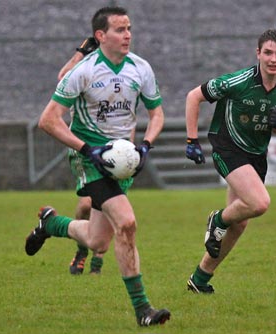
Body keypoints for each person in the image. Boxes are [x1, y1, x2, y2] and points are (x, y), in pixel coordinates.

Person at [25, 7, 170, 327]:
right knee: (127, 223)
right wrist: (87, 150)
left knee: (98, 240)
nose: (128, 35)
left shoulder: (141, 68)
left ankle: (52, 224)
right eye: (119, 30)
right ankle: (143, 309)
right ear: (101, 36)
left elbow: (157, 113)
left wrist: (146, 145)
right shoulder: (83, 72)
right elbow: (48, 120)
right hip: (88, 159)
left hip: (122, 160)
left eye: (129, 28)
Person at [184, 29, 276, 293]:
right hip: (227, 147)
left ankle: (199, 280)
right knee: (259, 203)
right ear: (258, 53)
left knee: (241, 222)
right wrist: (191, 140)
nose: (273, 58)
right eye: (267, 52)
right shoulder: (238, 81)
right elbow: (193, 96)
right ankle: (217, 220)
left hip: (256, 154)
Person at [58, 36, 105, 275]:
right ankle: (81, 248)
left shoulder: (126, 70)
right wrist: (80, 52)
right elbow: (62, 79)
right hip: (85, 147)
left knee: (108, 205)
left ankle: (97, 259)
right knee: (87, 204)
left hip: (115, 148)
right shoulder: (84, 70)